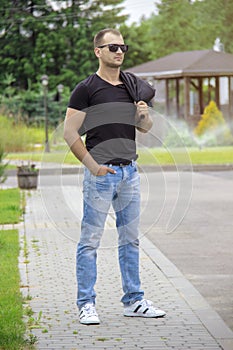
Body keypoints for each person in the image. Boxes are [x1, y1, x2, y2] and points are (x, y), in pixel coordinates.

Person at [64, 28, 166, 325]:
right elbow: (70, 133)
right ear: (98, 51)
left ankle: (133, 301)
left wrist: (144, 114)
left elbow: (143, 129)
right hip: (101, 175)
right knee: (90, 241)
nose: (119, 52)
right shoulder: (87, 89)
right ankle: (86, 304)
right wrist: (92, 166)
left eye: (123, 47)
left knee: (130, 240)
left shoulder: (131, 86)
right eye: (112, 47)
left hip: (130, 172)